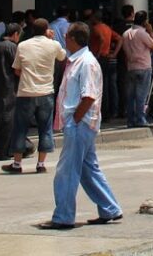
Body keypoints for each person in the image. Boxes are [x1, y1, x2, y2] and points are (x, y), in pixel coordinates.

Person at [40, 22, 123, 231]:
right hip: (80, 123)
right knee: (88, 169)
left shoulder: (85, 62)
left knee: (66, 172)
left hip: (80, 124)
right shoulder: (77, 61)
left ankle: (64, 216)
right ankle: (110, 208)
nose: (64, 40)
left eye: (67, 36)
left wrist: (74, 120)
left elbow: (89, 96)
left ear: (73, 39)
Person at [4, 17, 65, 174]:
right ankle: (41, 164)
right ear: (46, 30)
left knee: (20, 128)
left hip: (26, 91)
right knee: (45, 128)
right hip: (46, 92)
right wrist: (51, 39)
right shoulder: (53, 45)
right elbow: (62, 56)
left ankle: (17, 164)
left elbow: (17, 70)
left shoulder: (23, 45)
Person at [0, 21, 21, 161]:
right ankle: (1, 150)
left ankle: (3, 149)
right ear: (15, 34)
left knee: (4, 117)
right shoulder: (12, 47)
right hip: (10, 86)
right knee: (8, 119)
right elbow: (17, 69)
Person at [120, 12, 153, 128]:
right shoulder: (142, 33)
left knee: (131, 96)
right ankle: (140, 119)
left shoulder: (125, 33)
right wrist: (151, 32)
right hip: (144, 67)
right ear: (144, 21)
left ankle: (130, 120)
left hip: (131, 67)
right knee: (141, 95)